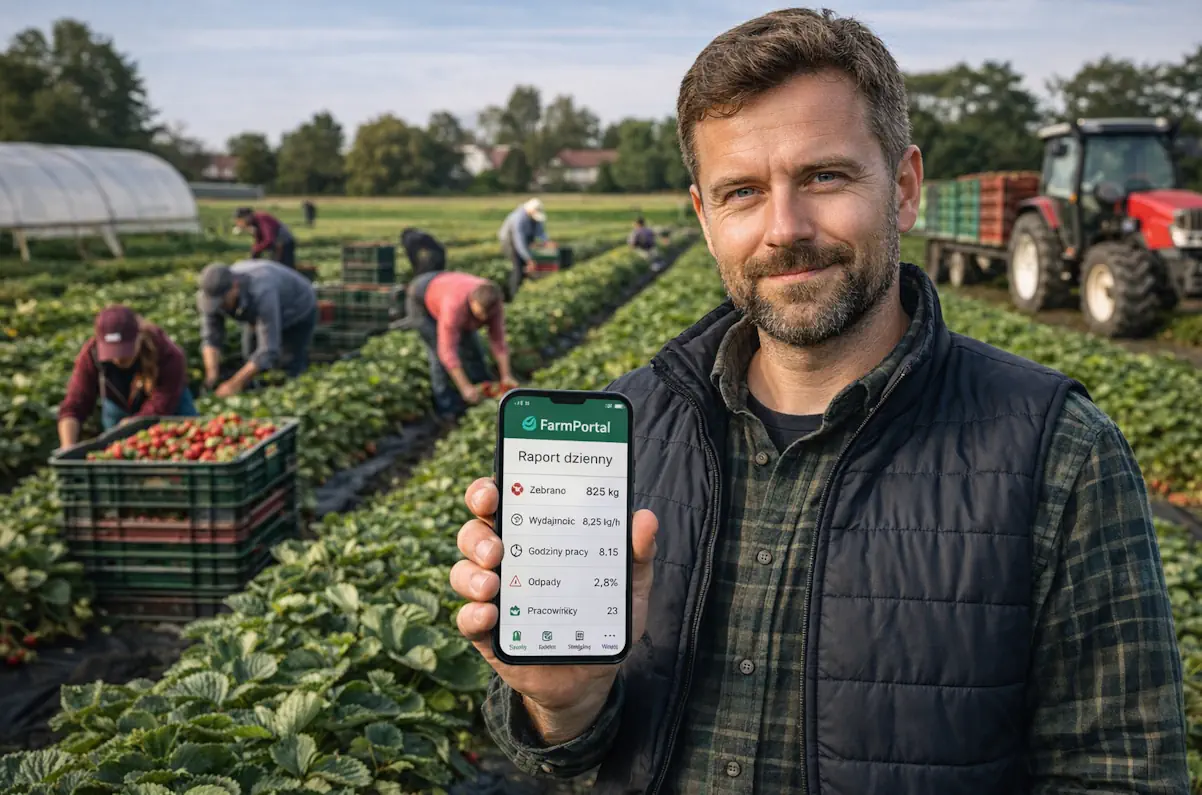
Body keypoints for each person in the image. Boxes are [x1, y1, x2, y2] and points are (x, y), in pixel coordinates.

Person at [450, 9, 1189, 794]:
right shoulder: (624, 434)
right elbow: (558, 750)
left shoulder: (1059, 451)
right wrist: (563, 706)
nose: (785, 229)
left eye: (824, 177)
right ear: (704, 219)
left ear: (903, 189)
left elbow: (1122, 772)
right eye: (741, 191)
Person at [57, 305, 197, 447]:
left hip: (170, 407)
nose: (118, 359)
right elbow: (74, 403)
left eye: (124, 350)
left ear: (139, 336)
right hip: (118, 405)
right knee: (118, 454)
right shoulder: (91, 355)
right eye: (111, 352)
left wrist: (134, 424)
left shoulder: (167, 353)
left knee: (187, 443)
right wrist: (67, 446)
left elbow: (163, 402)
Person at [404, 270, 515, 420]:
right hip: (421, 297)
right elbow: (447, 351)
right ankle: (447, 408)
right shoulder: (454, 307)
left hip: (446, 285)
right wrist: (464, 387)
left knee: (473, 349)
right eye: (481, 313)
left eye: (487, 315)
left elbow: (498, 340)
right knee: (438, 355)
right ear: (472, 302)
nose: (484, 318)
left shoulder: (494, 304)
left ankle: (483, 393)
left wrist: (506, 376)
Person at [197, 260, 318, 397]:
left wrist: (233, 384)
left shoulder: (261, 291)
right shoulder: (210, 295)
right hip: (256, 312)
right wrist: (212, 377)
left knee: (287, 366)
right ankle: (257, 395)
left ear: (235, 286)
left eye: (223, 301)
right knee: (249, 355)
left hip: (296, 308)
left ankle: (290, 398)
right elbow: (211, 338)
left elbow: (268, 350)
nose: (219, 306)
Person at [498, 197, 547, 299]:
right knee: (518, 268)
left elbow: (540, 232)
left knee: (526, 268)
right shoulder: (518, 218)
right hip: (511, 243)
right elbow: (519, 242)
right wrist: (529, 258)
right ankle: (513, 295)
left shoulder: (534, 218)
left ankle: (523, 290)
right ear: (530, 210)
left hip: (524, 241)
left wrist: (546, 242)